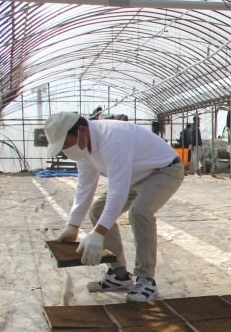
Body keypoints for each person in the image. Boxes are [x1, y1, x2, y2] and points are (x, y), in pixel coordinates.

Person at [44, 111, 185, 302]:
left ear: (82, 131)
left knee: (140, 212)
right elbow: (86, 185)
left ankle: (146, 280)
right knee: (98, 211)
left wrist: (99, 232)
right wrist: (73, 225)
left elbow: (118, 189)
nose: (66, 151)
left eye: (66, 144)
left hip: (163, 170)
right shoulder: (82, 149)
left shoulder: (113, 138)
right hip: (133, 177)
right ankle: (119, 276)